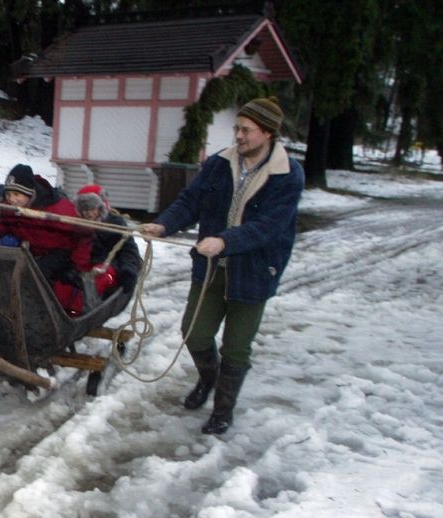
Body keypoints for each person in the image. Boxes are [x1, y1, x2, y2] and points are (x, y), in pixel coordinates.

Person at [139, 96, 304, 436]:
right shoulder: (218, 164)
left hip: (255, 271)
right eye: (237, 129)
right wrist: (165, 224)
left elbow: (269, 226)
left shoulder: (288, 175)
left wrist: (226, 241)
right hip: (211, 268)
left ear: (268, 133)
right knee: (194, 332)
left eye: (247, 130)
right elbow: (191, 202)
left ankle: (223, 410)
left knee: (236, 346)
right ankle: (208, 378)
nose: (239, 136)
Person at [0, 164, 93, 295]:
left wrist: (76, 267)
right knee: (2, 265)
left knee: (37, 275)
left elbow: (85, 237)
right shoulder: (11, 208)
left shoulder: (59, 211)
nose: (12, 199)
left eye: (16, 194)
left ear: (29, 193)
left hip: (59, 252)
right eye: (8, 194)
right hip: (29, 249)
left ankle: (42, 307)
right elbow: (4, 222)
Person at [75, 183, 141, 296]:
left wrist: (128, 269)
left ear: (101, 208)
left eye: (92, 208)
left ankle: (85, 305)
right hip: (79, 267)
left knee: (100, 279)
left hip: (107, 267)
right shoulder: (74, 224)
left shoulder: (115, 224)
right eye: (84, 209)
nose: (89, 213)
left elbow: (128, 250)